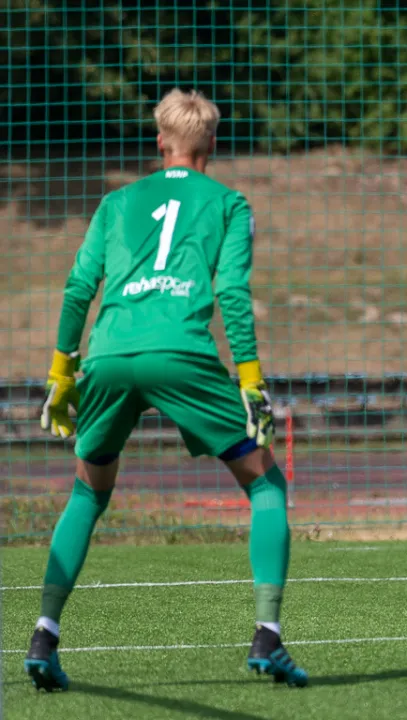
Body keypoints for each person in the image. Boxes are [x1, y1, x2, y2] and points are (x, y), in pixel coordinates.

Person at [24, 89, 307, 691]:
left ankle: (44, 634)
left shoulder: (117, 201)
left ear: (160, 142)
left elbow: (79, 287)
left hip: (108, 353)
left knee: (88, 490)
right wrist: (251, 379)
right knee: (265, 481)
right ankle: (268, 636)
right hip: (180, 352)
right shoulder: (230, 203)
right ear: (213, 145)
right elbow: (231, 294)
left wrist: (60, 372)